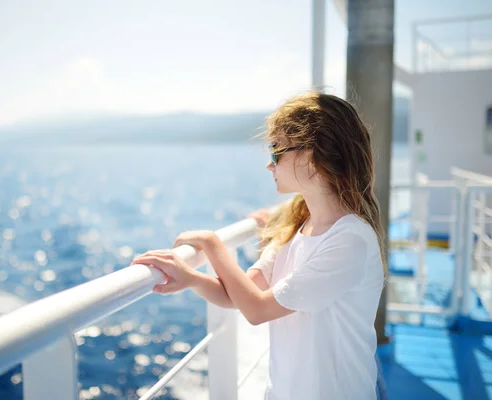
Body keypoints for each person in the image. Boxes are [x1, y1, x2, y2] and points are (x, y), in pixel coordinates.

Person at [131, 92, 387, 400]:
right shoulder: (299, 225)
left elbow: (257, 309)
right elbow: (241, 294)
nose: (269, 164)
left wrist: (213, 244)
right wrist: (191, 278)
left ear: (312, 158)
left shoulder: (349, 241)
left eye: (277, 151)